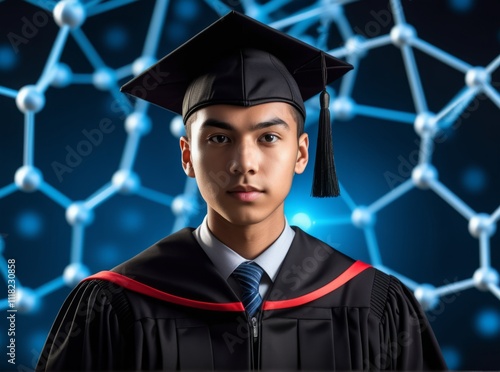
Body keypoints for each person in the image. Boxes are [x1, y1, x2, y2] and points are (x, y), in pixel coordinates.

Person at [36, 11, 447, 371]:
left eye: (268, 137)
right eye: (218, 139)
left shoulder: (373, 303)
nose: (244, 163)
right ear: (187, 156)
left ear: (302, 153)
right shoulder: (116, 305)